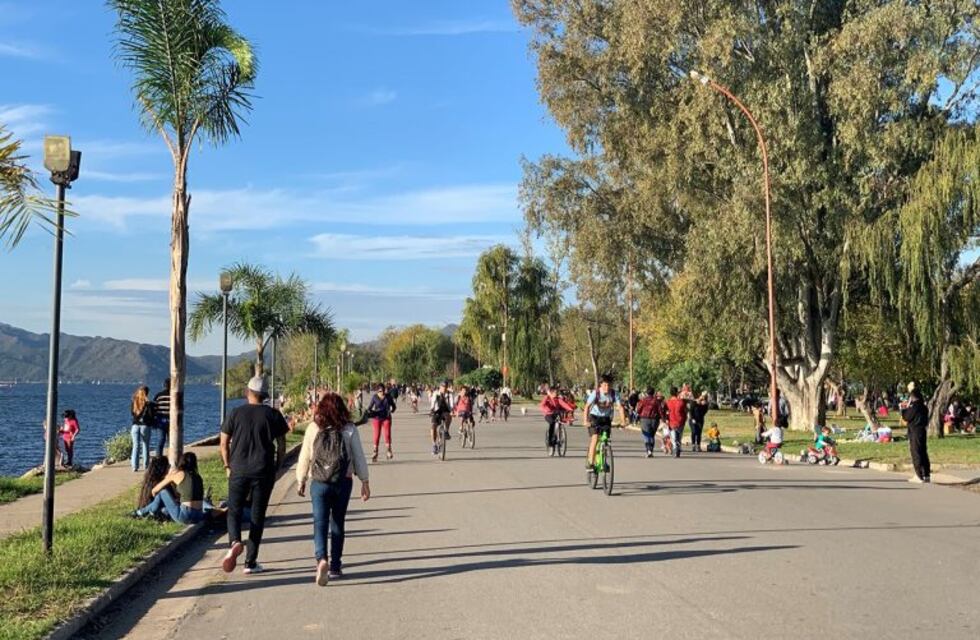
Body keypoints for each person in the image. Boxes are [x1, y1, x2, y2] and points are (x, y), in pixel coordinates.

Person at [296, 392, 370, 586]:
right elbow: (358, 456)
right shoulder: (349, 428)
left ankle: (321, 559)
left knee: (319, 522)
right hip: (343, 482)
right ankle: (335, 566)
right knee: (337, 522)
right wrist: (365, 481)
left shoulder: (313, 427)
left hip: (319, 482)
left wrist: (301, 479)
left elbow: (305, 455)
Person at [220, 375, 289, 575]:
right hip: (263, 471)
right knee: (257, 516)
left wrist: (227, 465)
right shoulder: (273, 414)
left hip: (238, 470)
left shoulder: (235, 413)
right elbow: (281, 445)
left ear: (247, 392)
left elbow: (223, 443)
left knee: (234, 510)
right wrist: (278, 466)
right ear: (265, 395)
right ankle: (250, 562)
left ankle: (234, 541)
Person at [131, 452, 205, 523]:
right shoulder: (198, 477)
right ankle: (151, 511)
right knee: (165, 510)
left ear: (182, 462)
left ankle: (142, 512)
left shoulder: (179, 474)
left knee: (163, 492)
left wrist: (156, 499)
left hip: (185, 515)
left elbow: (155, 490)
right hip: (199, 515)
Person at [585, 375, 617, 469]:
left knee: (605, 439)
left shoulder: (614, 394)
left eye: (609, 385)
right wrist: (585, 421)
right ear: (601, 385)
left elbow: (620, 407)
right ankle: (591, 462)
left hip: (606, 418)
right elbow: (587, 406)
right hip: (594, 417)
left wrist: (623, 422)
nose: (607, 387)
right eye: (605, 385)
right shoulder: (596, 393)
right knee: (595, 438)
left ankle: (603, 460)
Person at [901, 387, 930, 483]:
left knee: (916, 452)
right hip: (923, 430)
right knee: (923, 452)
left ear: (912, 397)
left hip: (915, 431)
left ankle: (919, 475)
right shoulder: (924, 407)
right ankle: (926, 474)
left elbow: (906, 417)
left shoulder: (915, 407)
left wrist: (904, 409)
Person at [365, 383, 396, 462]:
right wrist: (369, 412)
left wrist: (392, 410)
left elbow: (394, 406)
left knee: (387, 434)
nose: (382, 393)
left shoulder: (388, 397)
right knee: (376, 435)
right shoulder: (374, 397)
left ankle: (388, 450)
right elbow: (369, 407)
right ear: (377, 391)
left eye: (383, 391)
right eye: (380, 391)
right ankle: (375, 451)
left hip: (386, 418)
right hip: (377, 418)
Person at [540, 386, 574, 456]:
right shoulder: (547, 398)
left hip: (556, 413)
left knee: (560, 421)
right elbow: (542, 405)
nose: (557, 393)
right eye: (555, 392)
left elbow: (564, 404)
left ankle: (559, 435)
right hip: (548, 414)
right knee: (552, 423)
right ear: (551, 392)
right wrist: (547, 409)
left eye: (557, 392)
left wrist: (570, 409)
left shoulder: (558, 399)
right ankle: (550, 441)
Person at [130, 386, 154, 472]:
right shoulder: (148, 404)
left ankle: (134, 466)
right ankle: (146, 465)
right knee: (145, 445)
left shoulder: (134, 402)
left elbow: (132, 414)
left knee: (135, 446)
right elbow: (151, 415)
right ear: (147, 393)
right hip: (145, 426)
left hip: (135, 426)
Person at [635, 388, 663, 458]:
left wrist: (638, 415)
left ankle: (648, 450)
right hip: (654, 420)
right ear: (654, 393)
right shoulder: (656, 401)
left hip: (645, 419)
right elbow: (660, 410)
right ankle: (651, 450)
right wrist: (663, 418)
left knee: (646, 435)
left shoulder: (643, 400)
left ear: (647, 393)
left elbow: (638, 410)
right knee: (652, 435)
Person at [429, 380, 453, 455]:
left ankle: (446, 431)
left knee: (449, 416)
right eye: (443, 386)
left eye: (446, 386)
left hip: (446, 411)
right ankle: (434, 445)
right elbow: (433, 403)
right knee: (433, 426)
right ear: (440, 387)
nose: (444, 388)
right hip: (437, 411)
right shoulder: (436, 393)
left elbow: (451, 404)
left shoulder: (449, 394)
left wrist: (452, 411)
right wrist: (432, 410)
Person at [666, 386, 687, 458]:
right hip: (680, 421)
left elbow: (666, 412)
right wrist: (684, 419)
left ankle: (676, 448)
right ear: (677, 393)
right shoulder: (681, 402)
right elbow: (685, 411)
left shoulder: (668, 402)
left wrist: (666, 419)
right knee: (679, 436)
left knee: (673, 437)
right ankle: (678, 447)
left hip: (671, 421)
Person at [152, 379, 171, 458]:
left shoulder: (158, 396)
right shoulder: (174, 395)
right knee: (171, 441)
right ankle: (172, 457)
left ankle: (158, 457)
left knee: (161, 440)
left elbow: (154, 408)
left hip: (160, 421)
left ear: (164, 385)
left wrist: (154, 420)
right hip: (171, 421)